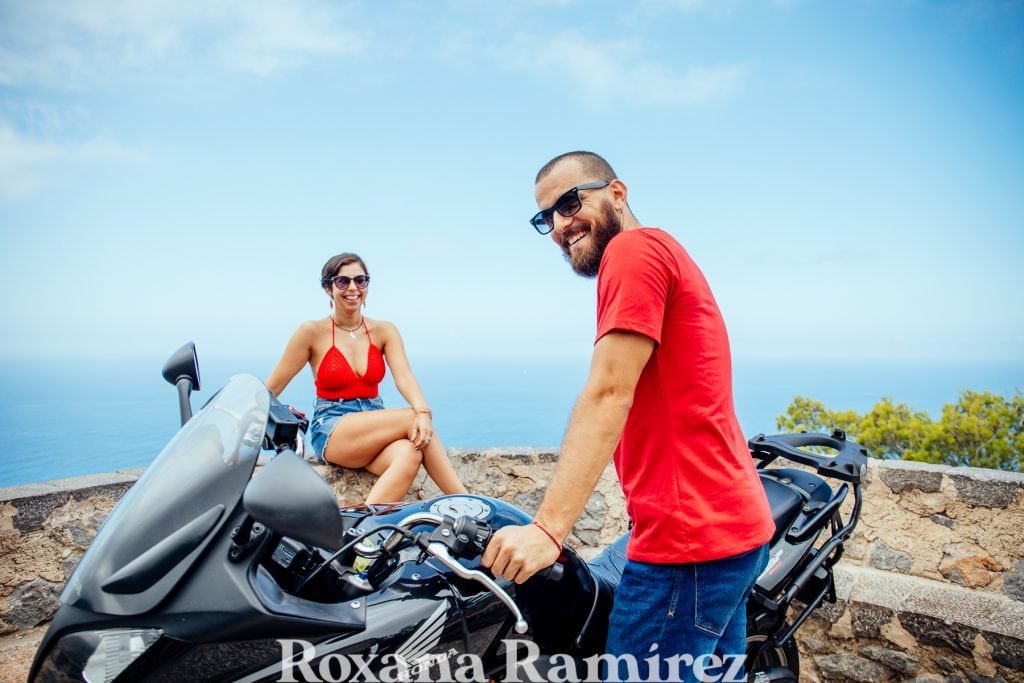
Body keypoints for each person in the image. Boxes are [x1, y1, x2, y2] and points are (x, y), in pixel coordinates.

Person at [481, 152, 774, 680]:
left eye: (570, 203)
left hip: (687, 547)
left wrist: (547, 530)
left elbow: (608, 391)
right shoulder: (664, 252)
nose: (559, 225)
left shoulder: (633, 250)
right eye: (546, 217)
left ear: (617, 193)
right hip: (731, 534)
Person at [266, 252, 467, 505]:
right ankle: (469, 503)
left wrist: (423, 413)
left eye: (360, 281)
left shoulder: (384, 330)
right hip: (332, 426)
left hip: (372, 426)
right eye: (343, 281)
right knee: (412, 417)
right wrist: (240, 424)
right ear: (328, 288)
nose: (353, 288)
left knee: (410, 452)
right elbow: (272, 387)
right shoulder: (311, 332)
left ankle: (363, 525)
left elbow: (404, 376)